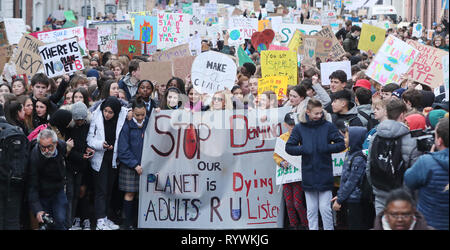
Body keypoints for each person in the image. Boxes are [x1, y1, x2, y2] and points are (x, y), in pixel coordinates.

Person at [285, 98, 346, 230]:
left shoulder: (328, 126)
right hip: (308, 172)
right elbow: (289, 147)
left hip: (325, 172)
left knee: (325, 209)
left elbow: (341, 144)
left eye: (321, 113)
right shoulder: (300, 128)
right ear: (308, 112)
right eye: (316, 113)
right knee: (311, 210)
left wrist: (326, 147)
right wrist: (304, 149)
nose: (319, 115)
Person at [366, 99, 421, 215]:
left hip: (380, 190)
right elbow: (415, 175)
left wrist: (375, 187)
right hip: (403, 196)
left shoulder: (375, 136)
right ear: (402, 115)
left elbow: (369, 165)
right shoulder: (411, 140)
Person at [87, 96, 128, 230]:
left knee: (109, 189)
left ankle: (105, 217)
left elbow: (129, 107)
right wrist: (101, 145)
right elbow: (90, 139)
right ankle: (100, 219)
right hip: (100, 157)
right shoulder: (96, 116)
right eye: (106, 111)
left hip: (114, 158)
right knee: (101, 190)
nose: (107, 114)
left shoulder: (122, 115)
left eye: (111, 112)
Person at [404, 118, 449, 230]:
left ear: (439, 140)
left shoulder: (426, 162)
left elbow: (408, 180)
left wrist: (431, 156)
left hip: (430, 223)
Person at [332, 126, 373, 230]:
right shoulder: (349, 153)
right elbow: (345, 178)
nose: (344, 139)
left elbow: (351, 182)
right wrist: (340, 195)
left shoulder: (359, 158)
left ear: (355, 139)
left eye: (346, 137)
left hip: (357, 199)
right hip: (350, 197)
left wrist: (340, 199)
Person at [273, 112, 308, 230]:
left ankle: (305, 224)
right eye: (290, 124)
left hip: (299, 175)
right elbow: (276, 155)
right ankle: (293, 225)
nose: (292, 127)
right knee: (289, 203)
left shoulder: (304, 136)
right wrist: (282, 162)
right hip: (287, 175)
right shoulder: (282, 138)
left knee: (298, 203)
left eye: (294, 124)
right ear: (285, 124)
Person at [28, 129, 69, 230]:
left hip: (58, 189)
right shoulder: (34, 157)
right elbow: (32, 185)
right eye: (43, 147)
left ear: (55, 143)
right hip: (42, 192)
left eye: (49, 147)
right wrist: (38, 210)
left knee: (60, 219)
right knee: (46, 223)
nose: (46, 151)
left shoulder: (62, 146)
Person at [118, 98, 149, 230]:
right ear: (132, 112)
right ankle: (127, 222)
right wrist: (135, 165)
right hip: (130, 166)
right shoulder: (126, 125)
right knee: (130, 193)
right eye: (137, 115)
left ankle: (139, 221)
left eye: (143, 114)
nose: (141, 117)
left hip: (145, 165)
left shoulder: (149, 123)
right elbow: (123, 149)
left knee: (142, 194)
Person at [65, 102, 92, 230]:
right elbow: (69, 149)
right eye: (77, 120)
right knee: (74, 194)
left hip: (85, 166)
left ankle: (85, 218)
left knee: (83, 192)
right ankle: (74, 218)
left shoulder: (88, 125)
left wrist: (88, 150)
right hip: (73, 164)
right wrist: (81, 155)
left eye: (82, 120)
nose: (80, 122)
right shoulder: (70, 128)